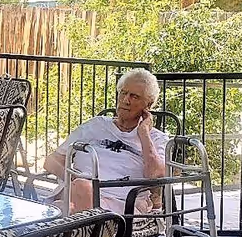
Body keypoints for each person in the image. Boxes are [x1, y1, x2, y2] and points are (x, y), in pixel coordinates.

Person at [43, 68, 169, 214]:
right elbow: (50, 161)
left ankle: (67, 217)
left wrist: (144, 133)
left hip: (121, 204)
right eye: (123, 92)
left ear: (148, 104)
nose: (125, 100)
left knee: (63, 209)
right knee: (80, 190)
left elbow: (157, 177)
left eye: (134, 96)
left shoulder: (156, 138)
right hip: (76, 191)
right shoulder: (95, 125)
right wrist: (74, 178)